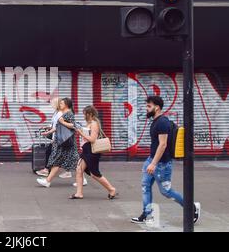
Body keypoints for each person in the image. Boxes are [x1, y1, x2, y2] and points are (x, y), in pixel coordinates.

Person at [131, 96, 201, 224]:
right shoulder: (155, 121)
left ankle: (192, 207)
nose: (146, 108)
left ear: (157, 107)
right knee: (145, 186)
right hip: (152, 159)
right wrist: (151, 161)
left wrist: (153, 163)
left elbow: (162, 144)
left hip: (161, 164)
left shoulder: (162, 122)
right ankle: (147, 215)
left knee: (166, 191)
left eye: (149, 106)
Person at [70, 105, 117, 200]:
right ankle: (79, 193)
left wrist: (81, 133)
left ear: (90, 114)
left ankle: (111, 189)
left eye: (85, 114)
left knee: (94, 173)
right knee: (79, 170)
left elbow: (92, 139)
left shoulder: (94, 124)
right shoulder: (89, 123)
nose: (83, 116)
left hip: (92, 151)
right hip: (86, 150)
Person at [36, 98, 79, 188]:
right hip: (61, 142)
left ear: (66, 105)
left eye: (62, 103)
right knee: (59, 161)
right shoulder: (63, 113)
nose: (60, 105)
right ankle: (47, 181)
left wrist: (63, 122)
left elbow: (73, 125)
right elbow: (58, 127)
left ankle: (48, 181)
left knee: (74, 161)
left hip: (66, 142)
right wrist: (48, 133)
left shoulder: (69, 114)